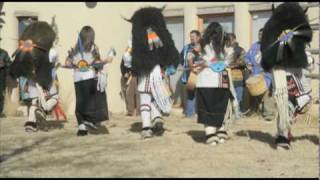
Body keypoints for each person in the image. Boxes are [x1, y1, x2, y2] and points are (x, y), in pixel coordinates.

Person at [122, 6, 180, 139]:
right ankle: (157, 117)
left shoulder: (136, 40)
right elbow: (171, 54)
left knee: (145, 99)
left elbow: (127, 57)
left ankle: (147, 126)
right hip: (159, 72)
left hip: (144, 72)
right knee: (157, 97)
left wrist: (131, 66)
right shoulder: (162, 36)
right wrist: (169, 68)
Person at [260, 3, 313, 149]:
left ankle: (284, 132)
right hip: (282, 72)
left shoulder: (297, 32)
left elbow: (304, 52)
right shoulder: (274, 32)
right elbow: (266, 53)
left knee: (301, 100)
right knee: (286, 103)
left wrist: (308, 58)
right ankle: (282, 136)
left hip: (296, 71)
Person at [65, 26, 114, 136]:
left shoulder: (75, 48)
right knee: (93, 102)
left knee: (80, 101)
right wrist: (107, 60)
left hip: (77, 79)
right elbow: (98, 63)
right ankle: (89, 121)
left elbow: (67, 62)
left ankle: (82, 127)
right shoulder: (94, 48)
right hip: (91, 77)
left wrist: (75, 64)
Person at [192, 22, 235, 146]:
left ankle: (211, 133)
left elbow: (198, 59)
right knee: (220, 106)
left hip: (206, 81)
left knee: (208, 107)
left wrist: (208, 63)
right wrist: (218, 63)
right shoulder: (226, 45)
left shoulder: (202, 44)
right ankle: (220, 131)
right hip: (222, 80)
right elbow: (228, 61)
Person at [245, 28, 275, 121]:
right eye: (259, 34)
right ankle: (254, 111)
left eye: (262, 34)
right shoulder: (254, 46)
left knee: (267, 94)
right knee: (254, 93)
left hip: (267, 75)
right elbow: (247, 57)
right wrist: (248, 64)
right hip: (254, 74)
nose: (260, 36)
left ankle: (268, 114)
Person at [180, 30, 201, 118]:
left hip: (201, 73)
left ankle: (200, 113)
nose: (192, 38)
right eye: (191, 36)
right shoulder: (186, 47)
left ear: (198, 37)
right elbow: (181, 58)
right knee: (191, 93)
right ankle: (190, 113)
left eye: (193, 36)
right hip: (190, 74)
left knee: (202, 94)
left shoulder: (203, 47)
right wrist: (186, 67)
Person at [225, 33, 247, 115]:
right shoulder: (224, 49)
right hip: (225, 75)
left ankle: (237, 113)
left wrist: (232, 65)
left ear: (234, 39)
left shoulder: (240, 50)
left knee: (238, 96)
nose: (228, 41)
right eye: (227, 39)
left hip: (237, 75)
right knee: (226, 96)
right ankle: (228, 113)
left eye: (229, 39)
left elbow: (244, 62)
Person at [120, 39, 139, 116]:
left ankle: (138, 111)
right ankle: (131, 111)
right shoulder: (126, 55)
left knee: (138, 93)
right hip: (130, 76)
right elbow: (122, 65)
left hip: (137, 75)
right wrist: (125, 73)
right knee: (129, 93)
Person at [0, 45, 11, 118]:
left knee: (1, 94)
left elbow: (9, 64)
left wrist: (3, 64)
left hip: (1, 77)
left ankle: (0, 112)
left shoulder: (4, 53)